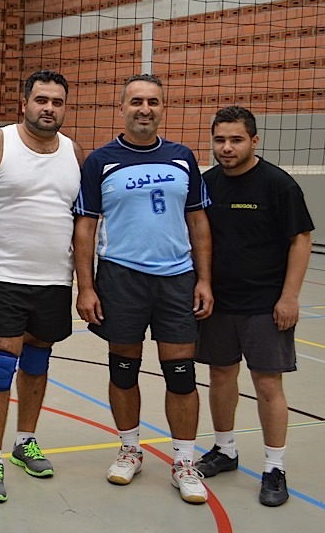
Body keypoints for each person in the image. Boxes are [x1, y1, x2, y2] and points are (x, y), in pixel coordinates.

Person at [73, 73, 214, 504]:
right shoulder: (101, 161)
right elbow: (85, 228)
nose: (144, 109)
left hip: (177, 278)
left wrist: (204, 279)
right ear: (122, 108)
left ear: (162, 108)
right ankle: (130, 449)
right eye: (136, 101)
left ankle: (184, 462)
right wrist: (86, 287)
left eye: (152, 102)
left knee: (181, 374)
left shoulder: (182, 157)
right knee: (123, 369)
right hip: (121, 277)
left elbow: (198, 222)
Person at [0, 69, 83, 503]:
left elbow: (80, 218)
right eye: (41, 100)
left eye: (57, 102)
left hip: (55, 278)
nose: (49, 108)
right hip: (4, 275)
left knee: (37, 361)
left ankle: (25, 440)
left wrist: (85, 279)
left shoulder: (73, 151)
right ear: (24, 103)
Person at [193, 106, 313, 507]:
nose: (226, 148)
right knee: (220, 375)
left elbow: (300, 240)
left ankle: (274, 468)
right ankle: (225, 450)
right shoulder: (207, 184)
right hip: (219, 303)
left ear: (254, 141)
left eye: (236, 140)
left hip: (265, 304)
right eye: (220, 140)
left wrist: (289, 296)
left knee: (267, 383)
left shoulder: (278, 185)